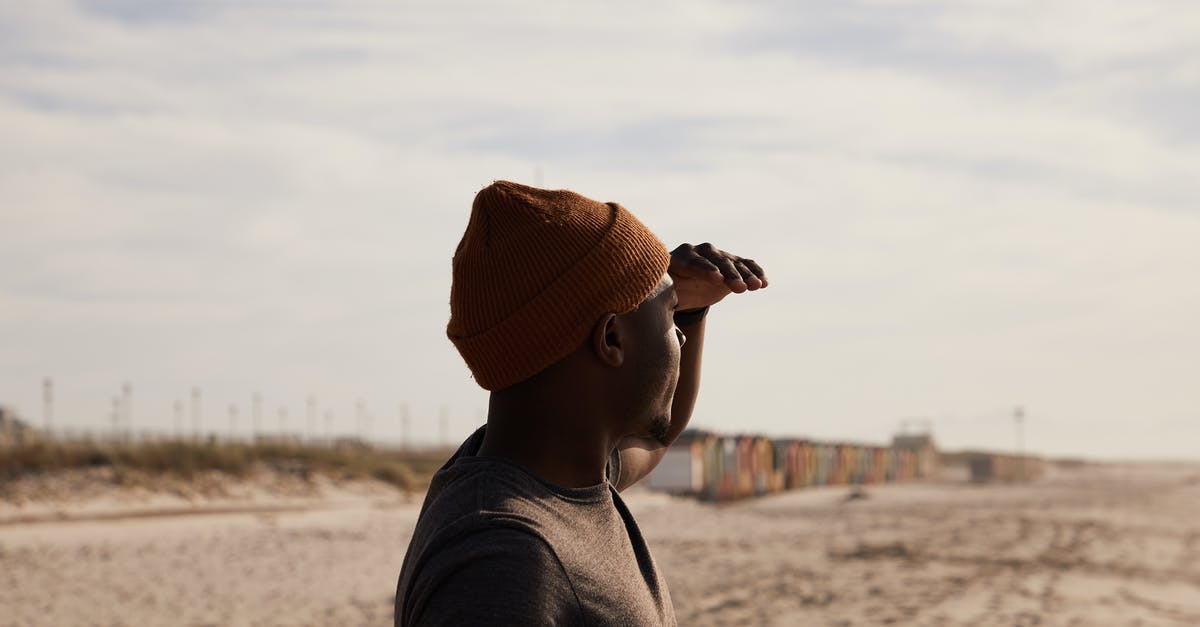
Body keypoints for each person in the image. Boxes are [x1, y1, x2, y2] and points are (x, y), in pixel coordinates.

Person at [394, 180, 768, 626]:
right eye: (670, 316)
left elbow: (656, 436)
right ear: (610, 338)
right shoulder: (505, 560)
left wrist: (687, 308)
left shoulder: (547, 472)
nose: (680, 338)